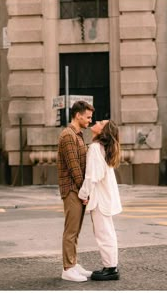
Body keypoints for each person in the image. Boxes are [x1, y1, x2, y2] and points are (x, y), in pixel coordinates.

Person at [78, 120, 122, 281]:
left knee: (104, 234)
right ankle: (110, 266)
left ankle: (110, 268)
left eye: (100, 123)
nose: (96, 122)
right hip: (105, 198)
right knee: (107, 233)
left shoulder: (96, 148)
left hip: (100, 200)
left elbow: (92, 176)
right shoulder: (102, 148)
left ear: (103, 130)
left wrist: (83, 194)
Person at [57, 100, 95, 282]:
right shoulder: (68, 136)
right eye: (87, 117)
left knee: (76, 230)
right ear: (78, 115)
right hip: (72, 189)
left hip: (77, 189)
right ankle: (68, 268)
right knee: (71, 230)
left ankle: (73, 263)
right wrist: (84, 192)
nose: (90, 120)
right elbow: (74, 168)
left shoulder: (78, 135)